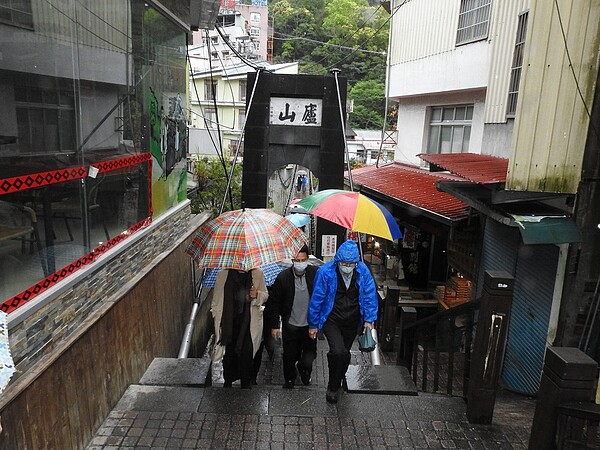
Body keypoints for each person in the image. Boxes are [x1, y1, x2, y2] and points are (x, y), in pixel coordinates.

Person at [308, 240, 378, 403]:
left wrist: (369, 318)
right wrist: (313, 323)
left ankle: (338, 381)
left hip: (352, 319)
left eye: (350, 263)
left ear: (356, 262)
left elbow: (369, 294)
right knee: (337, 351)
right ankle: (333, 387)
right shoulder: (325, 272)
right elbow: (317, 298)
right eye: (344, 263)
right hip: (331, 317)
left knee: (345, 354)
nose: (347, 266)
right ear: (337, 260)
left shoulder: (362, 271)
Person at [266, 245, 318, 389]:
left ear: (307, 260)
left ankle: (304, 370)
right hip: (291, 324)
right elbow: (275, 303)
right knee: (289, 354)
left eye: (303, 260)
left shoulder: (315, 274)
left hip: (309, 325)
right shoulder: (283, 278)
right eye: (297, 260)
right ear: (292, 260)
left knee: (310, 354)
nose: (300, 263)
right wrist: (275, 325)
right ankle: (289, 379)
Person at [211, 267, 268, 389]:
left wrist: (257, 295)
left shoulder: (257, 274)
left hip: (248, 324)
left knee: (247, 354)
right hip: (229, 324)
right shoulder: (223, 275)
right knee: (229, 356)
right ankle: (228, 383)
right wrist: (216, 316)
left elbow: (265, 295)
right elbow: (216, 300)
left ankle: (246, 383)